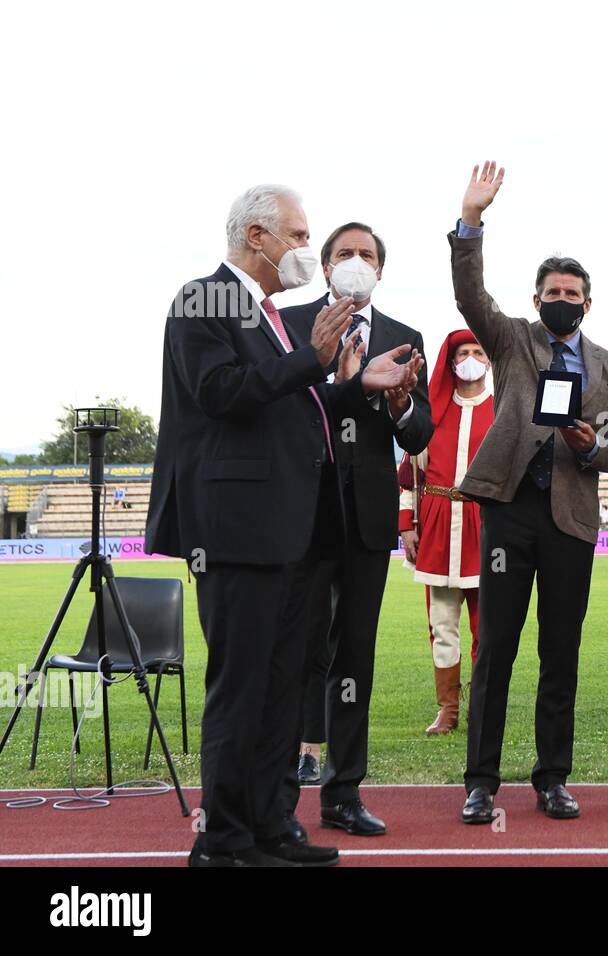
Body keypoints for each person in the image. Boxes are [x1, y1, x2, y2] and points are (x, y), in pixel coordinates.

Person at [146, 184, 418, 866]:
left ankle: (268, 826)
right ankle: (224, 839)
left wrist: (357, 386)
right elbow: (221, 393)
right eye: (299, 237)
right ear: (256, 238)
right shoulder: (202, 299)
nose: (307, 249)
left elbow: (290, 406)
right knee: (241, 687)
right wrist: (313, 359)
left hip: (283, 528)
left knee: (280, 684)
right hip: (234, 528)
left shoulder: (264, 312)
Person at [450, 161, 608, 824]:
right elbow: (471, 296)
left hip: (572, 516)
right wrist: (471, 221)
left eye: (573, 290)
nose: (563, 298)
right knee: (496, 646)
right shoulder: (511, 340)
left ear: (589, 300)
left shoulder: (607, 365)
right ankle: (480, 781)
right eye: (552, 289)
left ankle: (553, 777)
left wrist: (590, 447)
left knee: (561, 650)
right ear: (536, 301)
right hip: (511, 511)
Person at [280, 221, 431, 837]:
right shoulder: (289, 327)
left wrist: (401, 407)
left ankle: (343, 792)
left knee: (355, 658)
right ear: (324, 267)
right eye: (344, 253)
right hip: (304, 515)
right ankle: (281, 795)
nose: (355, 261)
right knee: (297, 651)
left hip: (368, 518)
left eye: (366, 254)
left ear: (381, 270)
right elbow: (287, 414)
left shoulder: (403, 337)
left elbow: (419, 437)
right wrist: (336, 382)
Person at [397, 330, 495, 736]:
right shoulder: (432, 410)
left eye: (477, 352)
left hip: (484, 525)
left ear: (489, 361)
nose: (470, 358)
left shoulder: (502, 409)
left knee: (486, 625)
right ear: (452, 361)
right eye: (462, 353)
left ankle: (482, 707)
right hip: (437, 522)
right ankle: (448, 710)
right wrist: (407, 526)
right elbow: (408, 477)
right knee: (442, 622)